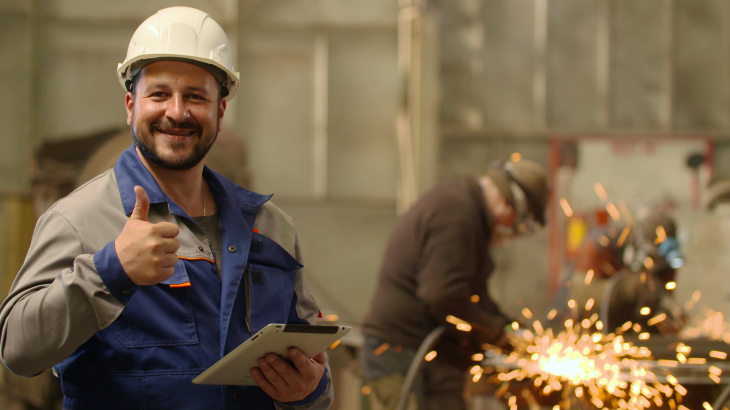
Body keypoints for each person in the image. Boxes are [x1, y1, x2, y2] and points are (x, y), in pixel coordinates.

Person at [0, 7, 332, 409]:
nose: (177, 112)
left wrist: (308, 392)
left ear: (220, 111)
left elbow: (313, 367)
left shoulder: (271, 227)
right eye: (159, 94)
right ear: (130, 105)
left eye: (195, 96)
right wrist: (111, 271)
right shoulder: (78, 220)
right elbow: (17, 351)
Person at [361, 159, 549, 410]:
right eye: (520, 225)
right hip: (402, 353)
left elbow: (472, 295)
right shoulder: (458, 215)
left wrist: (511, 328)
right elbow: (444, 296)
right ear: (508, 203)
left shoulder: (467, 209)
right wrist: (497, 335)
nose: (513, 233)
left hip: (434, 356)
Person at [568, 212, 686, 333]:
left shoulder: (669, 259)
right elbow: (581, 300)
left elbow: (662, 297)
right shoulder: (599, 245)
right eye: (651, 258)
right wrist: (626, 289)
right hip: (589, 331)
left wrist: (669, 314)